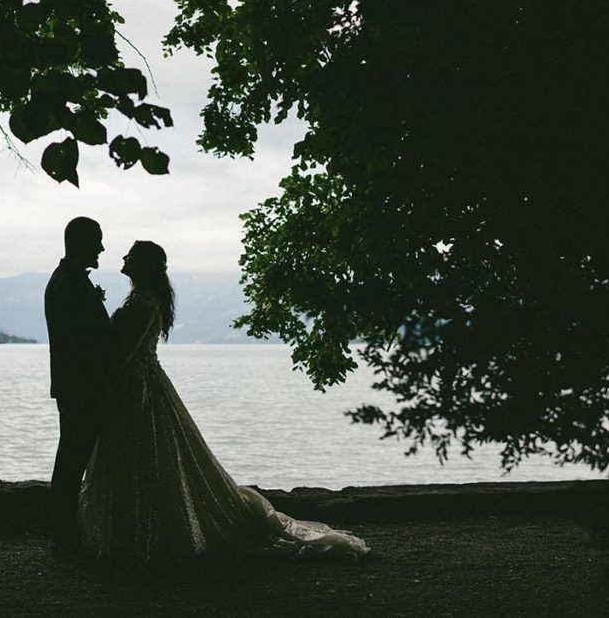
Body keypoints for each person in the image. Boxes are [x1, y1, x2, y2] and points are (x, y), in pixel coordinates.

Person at [78, 240, 370, 562]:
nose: (123, 257)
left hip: (137, 390)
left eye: (130, 255)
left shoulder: (144, 303)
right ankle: (134, 533)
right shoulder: (142, 299)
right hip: (138, 386)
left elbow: (122, 355)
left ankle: (140, 537)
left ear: (142, 264)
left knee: (140, 457)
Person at [45, 216, 111, 556]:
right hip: (80, 388)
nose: (102, 247)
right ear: (81, 242)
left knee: (72, 460)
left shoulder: (67, 280)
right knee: (71, 462)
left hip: (76, 387)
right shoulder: (68, 284)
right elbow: (87, 343)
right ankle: (65, 538)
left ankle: (67, 535)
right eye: (97, 240)